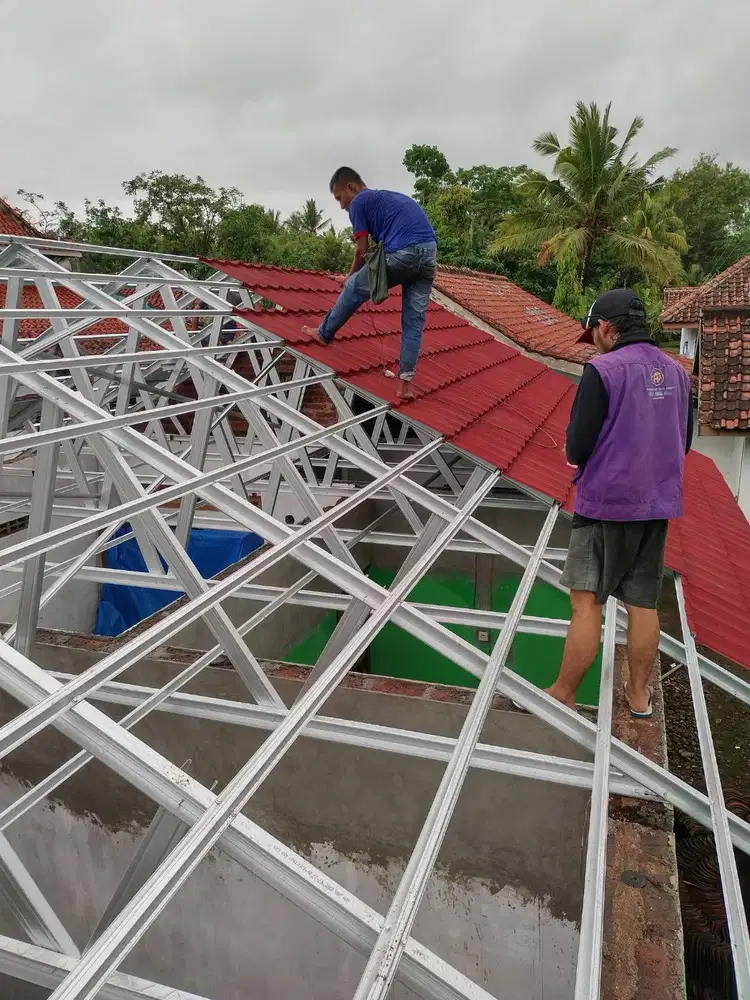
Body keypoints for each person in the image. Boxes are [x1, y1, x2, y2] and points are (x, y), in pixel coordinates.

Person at [545, 289, 693, 717]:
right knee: (643, 603)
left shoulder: (603, 371)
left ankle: (564, 692)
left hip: (605, 506)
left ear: (607, 327)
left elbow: (578, 446)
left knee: (586, 602)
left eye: (593, 333)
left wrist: (577, 452)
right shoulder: (678, 372)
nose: (593, 343)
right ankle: (639, 695)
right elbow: (683, 441)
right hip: (657, 504)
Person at [301, 167, 438, 401]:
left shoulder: (359, 202)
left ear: (351, 187)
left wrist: (349, 276)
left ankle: (324, 333)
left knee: (354, 288)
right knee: (413, 321)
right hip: (429, 255)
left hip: (404, 252)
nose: (341, 206)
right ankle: (404, 386)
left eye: (340, 198)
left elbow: (362, 250)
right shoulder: (389, 198)